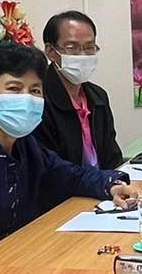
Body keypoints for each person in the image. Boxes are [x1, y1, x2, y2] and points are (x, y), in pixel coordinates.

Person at [0, 41, 138, 274]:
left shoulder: (25, 145)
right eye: (14, 89)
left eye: (35, 91)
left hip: (19, 262)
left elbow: (70, 176)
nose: (26, 98)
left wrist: (111, 185)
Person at [34, 10, 121, 170]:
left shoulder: (98, 97)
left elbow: (112, 157)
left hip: (104, 184)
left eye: (89, 47)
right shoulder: (39, 99)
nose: (83, 55)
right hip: (66, 186)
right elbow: (50, 168)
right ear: (51, 51)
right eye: (72, 47)